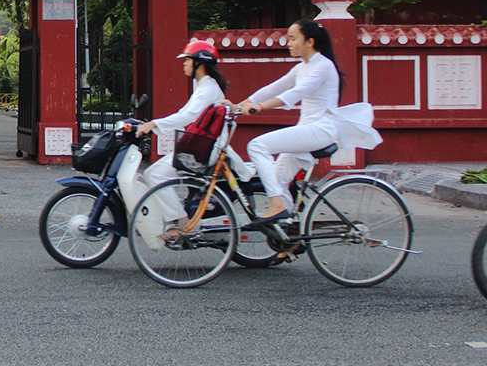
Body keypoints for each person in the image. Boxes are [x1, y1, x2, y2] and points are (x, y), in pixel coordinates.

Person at [234, 19, 381, 222]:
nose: (289, 43)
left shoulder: (323, 66)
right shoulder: (301, 68)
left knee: (257, 145)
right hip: (306, 129)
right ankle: (288, 232)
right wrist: (237, 106)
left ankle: (276, 205)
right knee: (278, 178)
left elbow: (297, 92)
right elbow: (272, 89)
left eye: (293, 38)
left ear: (309, 41)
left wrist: (260, 107)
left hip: (320, 130)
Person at [134, 41, 245, 237]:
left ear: (199, 64)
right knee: (157, 173)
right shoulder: (203, 85)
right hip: (199, 146)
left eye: (187, 60)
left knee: (155, 174)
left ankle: (181, 222)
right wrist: (154, 124)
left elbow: (188, 117)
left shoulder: (208, 88)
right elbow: (184, 113)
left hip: (204, 149)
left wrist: (154, 125)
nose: (184, 64)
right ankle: (177, 219)